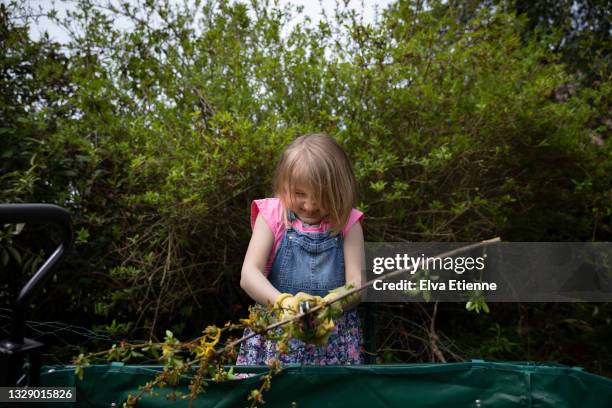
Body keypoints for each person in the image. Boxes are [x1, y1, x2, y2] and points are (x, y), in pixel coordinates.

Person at [236, 133, 365, 366]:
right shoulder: (273, 215)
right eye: (299, 194)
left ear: (339, 190)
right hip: (276, 334)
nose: (310, 205)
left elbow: (357, 284)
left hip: (333, 338)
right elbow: (249, 275)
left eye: (322, 196)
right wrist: (284, 303)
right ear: (284, 185)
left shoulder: (347, 221)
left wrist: (330, 305)